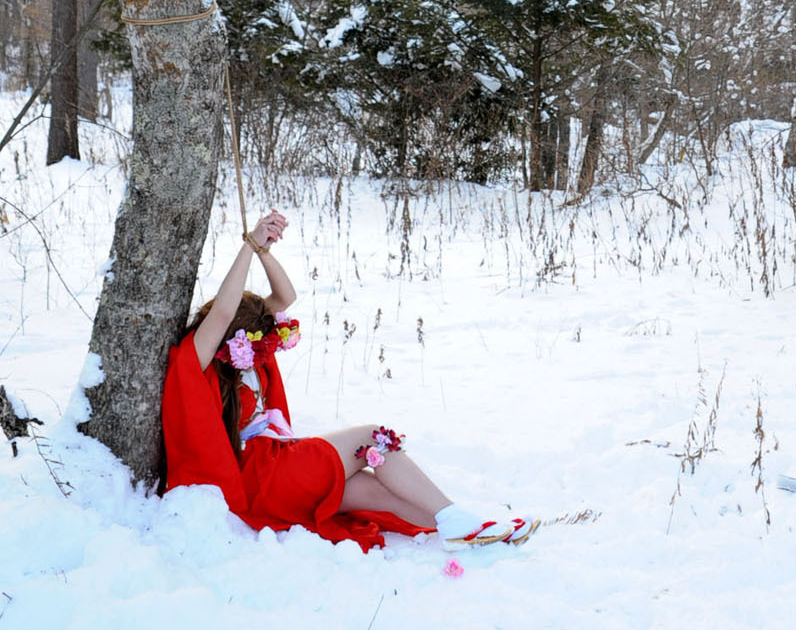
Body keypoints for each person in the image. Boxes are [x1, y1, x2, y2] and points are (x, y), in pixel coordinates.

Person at [162, 209, 536, 554]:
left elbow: (285, 296)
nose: (263, 343)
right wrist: (247, 246)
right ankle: (457, 519)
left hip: (279, 476)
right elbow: (226, 308)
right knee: (373, 437)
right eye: (254, 334)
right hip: (262, 474)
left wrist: (263, 250)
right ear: (233, 331)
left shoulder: (247, 350)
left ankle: (476, 530)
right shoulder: (201, 358)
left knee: (384, 497)